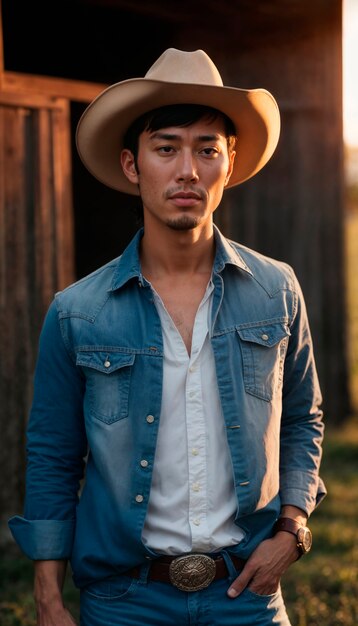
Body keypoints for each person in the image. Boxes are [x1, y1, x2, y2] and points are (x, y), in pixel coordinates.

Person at [8, 48, 326, 626]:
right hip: (124, 601)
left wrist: (293, 527)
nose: (187, 170)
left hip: (248, 594)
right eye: (166, 148)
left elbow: (304, 418)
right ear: (132, 166)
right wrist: (49, 598)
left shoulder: (277, 290)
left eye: (207, 149)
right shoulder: (77, 311)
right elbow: (53, 456)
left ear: (230, 162)